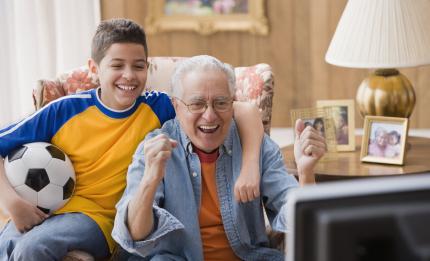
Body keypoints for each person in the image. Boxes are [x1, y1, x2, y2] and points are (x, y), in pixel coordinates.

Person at [0, 19, 263, 260]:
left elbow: (246, 110)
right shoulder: (64, 110)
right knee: (6, 243)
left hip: (99, 220)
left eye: (138, 66)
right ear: (94, 68)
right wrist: (12, 203)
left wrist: (251, 165)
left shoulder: (160, 106)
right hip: (45, 207)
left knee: (32, 248)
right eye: (117, 65)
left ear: (147, 67)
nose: (129, 75)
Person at [112, 55, 326, 260]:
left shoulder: (256, 146)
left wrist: (306, 173)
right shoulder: (153, 150)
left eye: (221, 103)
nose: (210, 115)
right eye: (197, 104)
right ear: (176, 106)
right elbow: (134, 235)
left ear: (232, 103)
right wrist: (150, 179)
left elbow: (299, 217)